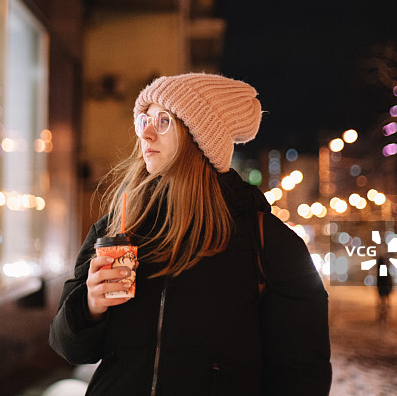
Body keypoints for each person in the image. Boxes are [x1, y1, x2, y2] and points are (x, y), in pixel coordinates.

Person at [49, 73, 332, 395]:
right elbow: (69, 348)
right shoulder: (119, 227)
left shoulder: (267, 241)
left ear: (201, 137)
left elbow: (302, 372)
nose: (146, 132)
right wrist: (89, 306)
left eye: (164, 120)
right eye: (144, 119)